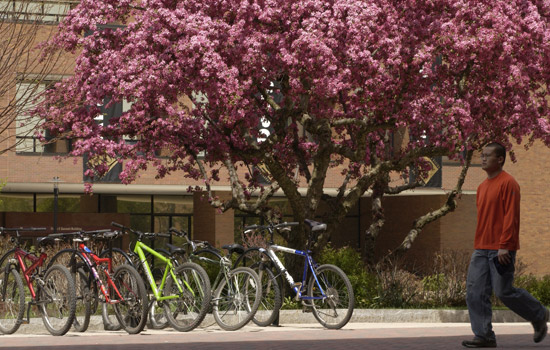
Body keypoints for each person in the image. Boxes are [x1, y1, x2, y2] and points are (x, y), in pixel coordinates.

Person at [462, 142, 549, 348]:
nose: (482, 158)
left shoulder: (508, 183)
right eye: (481, 155)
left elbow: (511, 217)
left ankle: (539, 314)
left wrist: (505, 245)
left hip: (501, 249)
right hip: (481, 248)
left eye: (487, 155)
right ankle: (484, 336)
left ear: (499, 159)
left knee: (503, 292)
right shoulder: (482, 186)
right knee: (474, 292)